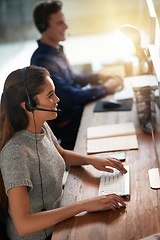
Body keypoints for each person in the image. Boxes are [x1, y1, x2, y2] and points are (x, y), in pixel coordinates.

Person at [0, 65, 127, 240]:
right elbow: (23, 225)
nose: (58, 99)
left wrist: (92, 160)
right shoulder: (15, 154)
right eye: (50, 95)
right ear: (28, 105)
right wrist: (83, 205)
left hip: (60, 219)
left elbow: (60, 154)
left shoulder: (41, 126)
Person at [30, 0, 124, 150]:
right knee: (117, 122)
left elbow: (72, 79)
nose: (66, 27)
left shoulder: (56, 50)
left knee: (119, 116)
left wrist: (98, 76)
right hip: (71, 126)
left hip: (78, 114)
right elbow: (70, 97)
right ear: (43, 27)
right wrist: (105, 88)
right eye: (60, 23)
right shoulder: (42, 60)